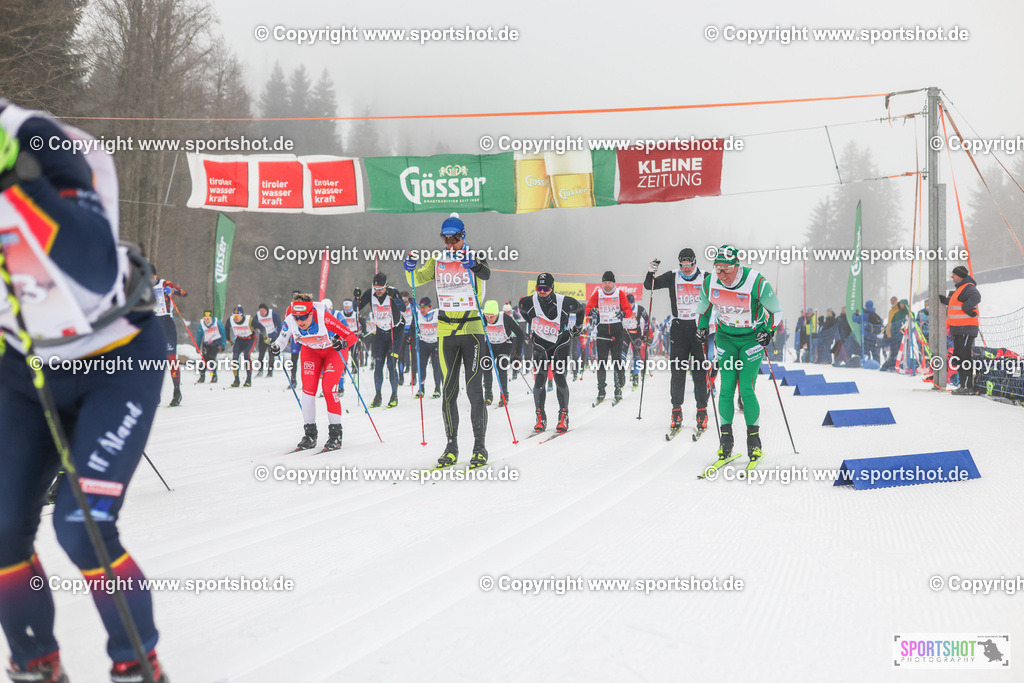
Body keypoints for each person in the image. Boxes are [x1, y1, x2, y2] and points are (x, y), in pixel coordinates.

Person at [0, 99, 169, 682]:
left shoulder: (37, 140)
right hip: (25, 366)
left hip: (116, 356)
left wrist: (13, 186)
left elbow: (93, 267)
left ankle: (135, 658)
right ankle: (35, 662)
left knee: (82, 524)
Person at [405, 213, 491, 466]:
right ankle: (451, 446)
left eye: (454, 239)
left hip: (472, 328)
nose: (450, 244)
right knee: (449, 390)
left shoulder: (474, 254)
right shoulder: (437, 259)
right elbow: (416, 280)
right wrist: (408, 269)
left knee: (475, 391)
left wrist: (471, 264)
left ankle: (479, 447)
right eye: (446, 240)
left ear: (463, 237)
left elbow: (485, 274)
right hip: (446, 330)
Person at [695, 245, 782, 470]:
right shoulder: (710, 282)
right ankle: (726, 441)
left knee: (746, 387)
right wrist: (702, 327)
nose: (721, 276)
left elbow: (776, 311)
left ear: (737, 265)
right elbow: (703, 310)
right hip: (725, 337)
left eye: (726, 270)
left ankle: (754, 441)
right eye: (718, 269)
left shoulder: (756, 282)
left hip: (751, 338)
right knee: (726, 388)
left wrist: (768, 330)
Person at [271, 293, 358, 450]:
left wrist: (343, 343)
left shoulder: (324, 317)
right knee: (308, 391)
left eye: (303, 317)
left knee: (328, 388)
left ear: (311, 313)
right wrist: (276, 346)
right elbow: (282, 339)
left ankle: (335, 435)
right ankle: (310, 434)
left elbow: (351, 336)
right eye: (296, 317)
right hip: (311, 351)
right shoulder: (290, 319)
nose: (299, 321)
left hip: (333, 351)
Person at [644, 248, 710, 435]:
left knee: (699, 371)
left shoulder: (705, 276)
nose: (686, 269)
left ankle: (702, 411)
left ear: (695, 262)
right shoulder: (673, 276)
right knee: (678, 372)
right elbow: (649, 286)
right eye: (683, 265)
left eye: (689, 265)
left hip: (698, 328)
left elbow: (721, 292)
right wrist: (651, 271)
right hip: (679, 329)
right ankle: (676, 411)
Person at [518, 273, 584, 433]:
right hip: (540, 345)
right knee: (539, 380)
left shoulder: (565, 301)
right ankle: (540, 416)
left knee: (559, 378)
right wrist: (534, 324)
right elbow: (524, 312)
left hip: (561, 344)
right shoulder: (527, 302)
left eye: (545, 288)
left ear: (552, 288)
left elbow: (581, 309)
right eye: (539, 288)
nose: (542, 291)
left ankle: (563, 416)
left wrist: (577, 328)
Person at [355, 273, 406, 408]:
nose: (378, 291)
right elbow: (357, 307)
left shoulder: (393, 292)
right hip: (380, 333)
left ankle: (394, 394)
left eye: (381, 289)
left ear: (386, 286)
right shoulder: (370, 293)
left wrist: (394, 297)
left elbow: (403, 308)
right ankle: (378, 395)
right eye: (376, 288)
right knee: (378, 365)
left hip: (396, 332)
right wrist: (357, 298)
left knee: (391, 364)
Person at [583, 271, 634, 404]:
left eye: (609, 282)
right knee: (601, 361)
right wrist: (592, 311)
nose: (607, 285)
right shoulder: (598, 294)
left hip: (617, 332)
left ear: (613, 283)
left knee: (617, 360)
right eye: (605, 282)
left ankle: (618, 389)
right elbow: (587, 308)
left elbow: (629, 311)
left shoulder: (619, 293)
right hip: (602, 332)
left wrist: (623, 313)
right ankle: (601, 390)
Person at [940, 266, 982, 395]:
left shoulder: (968, 287)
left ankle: (967, 386)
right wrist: (945, 301)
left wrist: (966, 308)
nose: (952, 277)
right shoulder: (961, 288)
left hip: (965, 328)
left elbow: (976, 297)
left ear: (960, 275)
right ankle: (963, 385)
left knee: (964, 357)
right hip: (959, 329)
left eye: (953, 274)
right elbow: (956, 304)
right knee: (959, 357)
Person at [151, 270, 187, 406]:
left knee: (171, 359)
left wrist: (172, 291)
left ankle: (177, 392)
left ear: (155, 275)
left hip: (167, 324)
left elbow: (184, 293)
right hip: (153, 325)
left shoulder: (164, 283)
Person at [483, 299, 525, 406]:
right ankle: (488, 395)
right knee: (486, 366)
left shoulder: (505, 318)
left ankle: (504, 395)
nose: (489, 319)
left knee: (501, 367)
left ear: (497, 313)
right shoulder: (482, 318)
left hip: (504, 345)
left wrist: (517, 353)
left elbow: (520, 334)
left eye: (492, 316)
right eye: (487, 316)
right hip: (490, 345)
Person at [225, 305, 264, 387]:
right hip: (239, 340)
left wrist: (265, 337)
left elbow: (261, 327)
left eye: (238, 316)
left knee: (247, 355)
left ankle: (248, 380)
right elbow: (226, 327)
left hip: (250, 339)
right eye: (234, 316)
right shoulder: (231, 320)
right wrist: (228, 339)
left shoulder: (249, 320)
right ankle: (236, 380)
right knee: (235, 357)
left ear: (242, 316)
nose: (235, 318)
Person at [415, 297, 442, 399]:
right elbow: (413, 326)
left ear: (429, 307)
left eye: (424, 307)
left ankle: (437, 389)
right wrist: (411, 336)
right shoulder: (417, 315)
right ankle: (421, 389)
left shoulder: (437, 314)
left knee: (436, 366)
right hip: (424, 344)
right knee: (421, 366)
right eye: (421, 307)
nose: (422, 309)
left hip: (435, 343)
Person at [623, 293, 650, 389]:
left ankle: (635, 376)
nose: (629, 305)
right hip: (625, 335)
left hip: (636, 335)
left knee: (636, 356)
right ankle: (621, 377)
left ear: (634, 301)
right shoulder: (622, 308)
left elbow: (647, 320)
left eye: (631, 303)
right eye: (627, 303)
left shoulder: (640, 309)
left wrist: (646, 333)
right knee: (622, 356)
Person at [196, 309, 226, 383]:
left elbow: (223, 333)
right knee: (204, 359)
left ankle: (214, 376)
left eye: (208, 318)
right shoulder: (202, 324)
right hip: (207, 343)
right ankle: (202, 376)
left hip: (216, 343)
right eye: (205, 318)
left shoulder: (217, 322)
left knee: (211, 358)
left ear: (211, 318)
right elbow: (199, 335)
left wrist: (223, 344)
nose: (206, 320)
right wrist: (198, 345)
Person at [254, 303, 282, 378]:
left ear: (266, 310)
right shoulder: (257, 315)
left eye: (263, 311)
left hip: (272, 337)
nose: (262, 313)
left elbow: (279, 325)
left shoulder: (273, 314)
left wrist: (278, 335)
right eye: (260, 311)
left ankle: (270, 372)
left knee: (271, 355)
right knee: (261, 355)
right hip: (262, 338)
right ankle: (260, 371)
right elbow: (253, 324)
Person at [880, 300, 909, 371]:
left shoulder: (909, 314)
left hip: (906, 337)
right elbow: (892, 324)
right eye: (901, 304)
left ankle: (904, 365)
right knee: (895, 352)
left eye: (903, 304)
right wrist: (892, 333)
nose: (902, 305)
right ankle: (893, 365)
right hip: (896, 337)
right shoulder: (895, 314)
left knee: (905, 352)